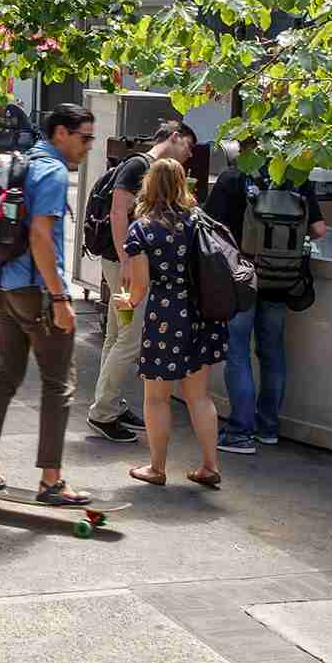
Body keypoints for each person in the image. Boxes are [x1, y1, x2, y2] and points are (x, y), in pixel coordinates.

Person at [0, 103, 98, 507]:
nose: (88, 146)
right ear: (61, 134)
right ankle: (51, 482)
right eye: (84, 137)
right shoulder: (52, 171)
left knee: (4, 377)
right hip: (38, 292)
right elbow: (40, 237)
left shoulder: (22, 164)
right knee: (59, 384)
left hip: (4, 286)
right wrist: (60, 298)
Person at [206, 145, 328, 454]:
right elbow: (319, 229)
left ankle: (240, 431)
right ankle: (268, 428)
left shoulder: (232, 178)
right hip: (281, 279)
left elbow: (208, 228)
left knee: (237, 351)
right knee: (272, 350)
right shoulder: (296, 179)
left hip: (242, 277)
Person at [87, 119, 198, 442]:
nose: (188, 155)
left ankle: (109, 405)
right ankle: (103, 412)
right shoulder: (139, 165)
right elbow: (118, 212)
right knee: (131, 338)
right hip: (127, 265)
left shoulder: (142, 165)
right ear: (175, 137)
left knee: (117, 336)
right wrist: (126, 261)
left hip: (125, 263)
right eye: (188, 147)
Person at [119, 158, 228, 490]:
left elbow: (139, 286)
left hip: (167, 315)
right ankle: (210, 466)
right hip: (202, 312)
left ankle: (157, 467)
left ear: (149, 184)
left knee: (156, 397)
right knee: (198, 396)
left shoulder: (142, 229)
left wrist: (128, 302)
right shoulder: (198, 221)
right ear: (183, 184)